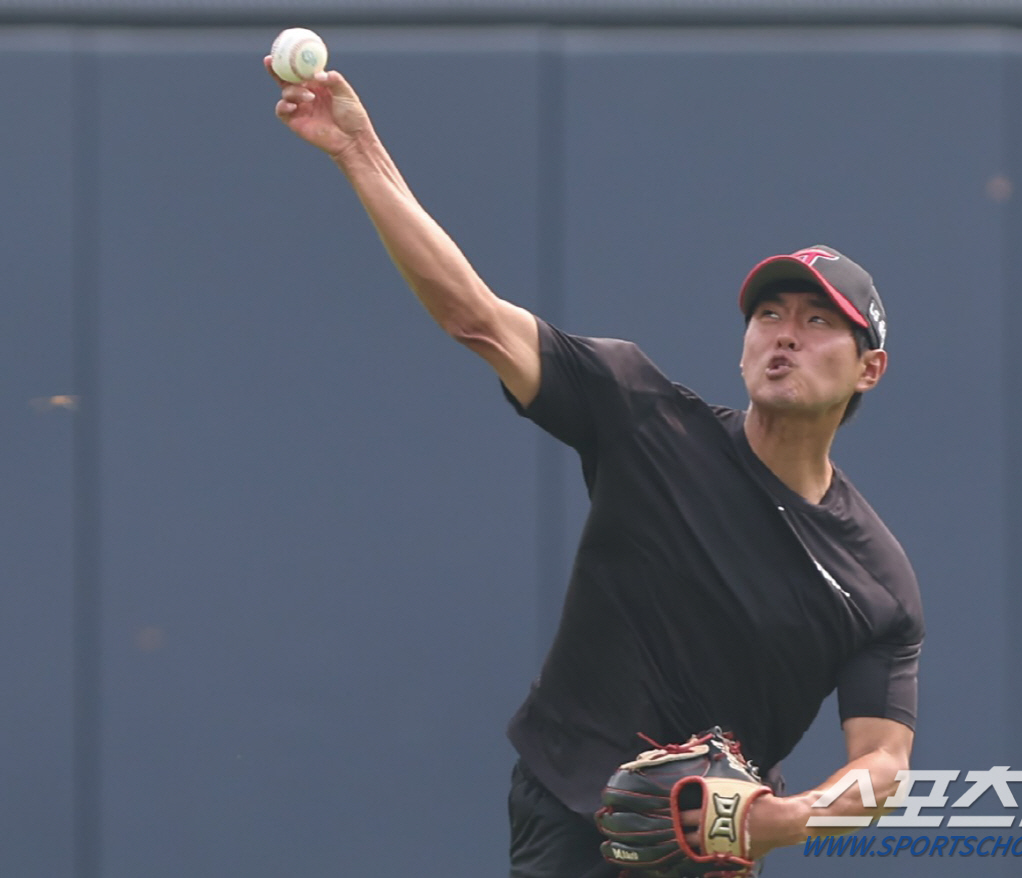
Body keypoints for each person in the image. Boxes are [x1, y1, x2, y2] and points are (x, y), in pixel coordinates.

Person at [266, 59, 923, 878]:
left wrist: (780, 822)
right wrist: (358, 150)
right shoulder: (644, 413)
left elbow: (883, 766)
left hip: (708, 850)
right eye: (768, 313)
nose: (783, 333)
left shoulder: (875, 581)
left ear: (870, 370)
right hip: (572, 810)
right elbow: (475, 316)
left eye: (820, 320)